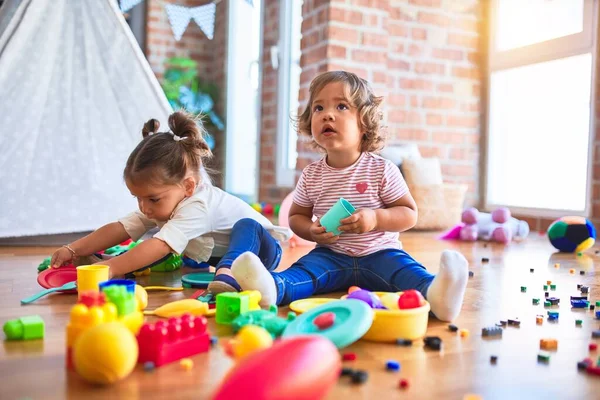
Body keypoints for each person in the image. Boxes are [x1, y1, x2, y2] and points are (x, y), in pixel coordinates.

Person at [227, 71, 469, 321]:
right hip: (331, 255)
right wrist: (311, 231)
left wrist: (376, 219)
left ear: (364, 123)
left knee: (405, 272)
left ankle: (438, 294)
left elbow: (409, 214)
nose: (327, 114)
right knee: (304, 272)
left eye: (341, 106)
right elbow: (297, 215)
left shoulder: (381, 169)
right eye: (319, 107)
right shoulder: (312, 174)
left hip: (380, 253)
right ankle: (272, 288)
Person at [50, 111, 290, 285]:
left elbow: (160, 246)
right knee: (162, 243)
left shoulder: (198, 204)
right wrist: (73, 248)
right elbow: (120, 228)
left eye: (152, 199)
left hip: (261, 252)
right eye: (137, 198)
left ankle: (227, 271)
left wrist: (111, 268)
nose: (144, 207)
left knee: (168, 242)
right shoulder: (162, 201)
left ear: (188, 186)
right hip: (216, 254)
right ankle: (120, 265)